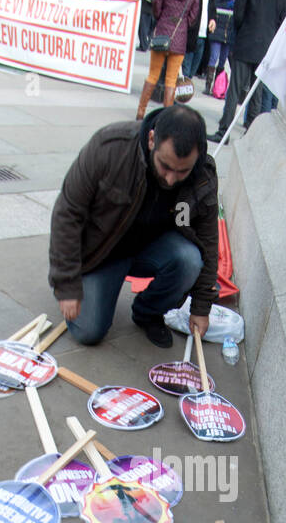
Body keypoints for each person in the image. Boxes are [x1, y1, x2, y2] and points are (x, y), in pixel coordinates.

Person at [48, 104, 218, 350]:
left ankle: (148, 311)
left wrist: (202, 307)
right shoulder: (110, 148)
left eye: (182, 171)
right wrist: (66, 284)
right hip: (104, 251)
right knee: (89, 331)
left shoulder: (203, 174)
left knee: (190, 259)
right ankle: (94, 285)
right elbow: (67, 213)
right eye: (165, 166)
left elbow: (208, 241)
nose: (171, 179)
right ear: (151, 139)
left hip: (152, 247)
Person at [208, 0, 286, 143]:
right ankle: (249, 134)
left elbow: (239, 12)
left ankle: (224, 130)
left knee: (235, 90)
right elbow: (282, 20)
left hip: (246, 41)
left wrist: (241, 31)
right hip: (266, 46)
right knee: (256, 92)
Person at [136, 0, 199, 118]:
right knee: (171, 80)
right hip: (179, 38)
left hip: (162, 34)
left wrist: (162, 18)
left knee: (153, 75)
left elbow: (156, 6)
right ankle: (166, 117)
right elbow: (193, 17)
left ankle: (141, 112)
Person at [205, 0, 239, 94]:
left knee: (223, 59)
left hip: (230, 27)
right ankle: (208, 85)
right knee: (214, 56)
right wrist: (230, 4)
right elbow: (215, 3)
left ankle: (217, 87)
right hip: (219, 23)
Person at [182, 0, 218, 79]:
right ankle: (176, 99)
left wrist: (213, 19)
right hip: (190, 34)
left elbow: (212, 7)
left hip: (203, 36)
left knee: (190, 75)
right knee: (184, 74)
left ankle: (181, 98)